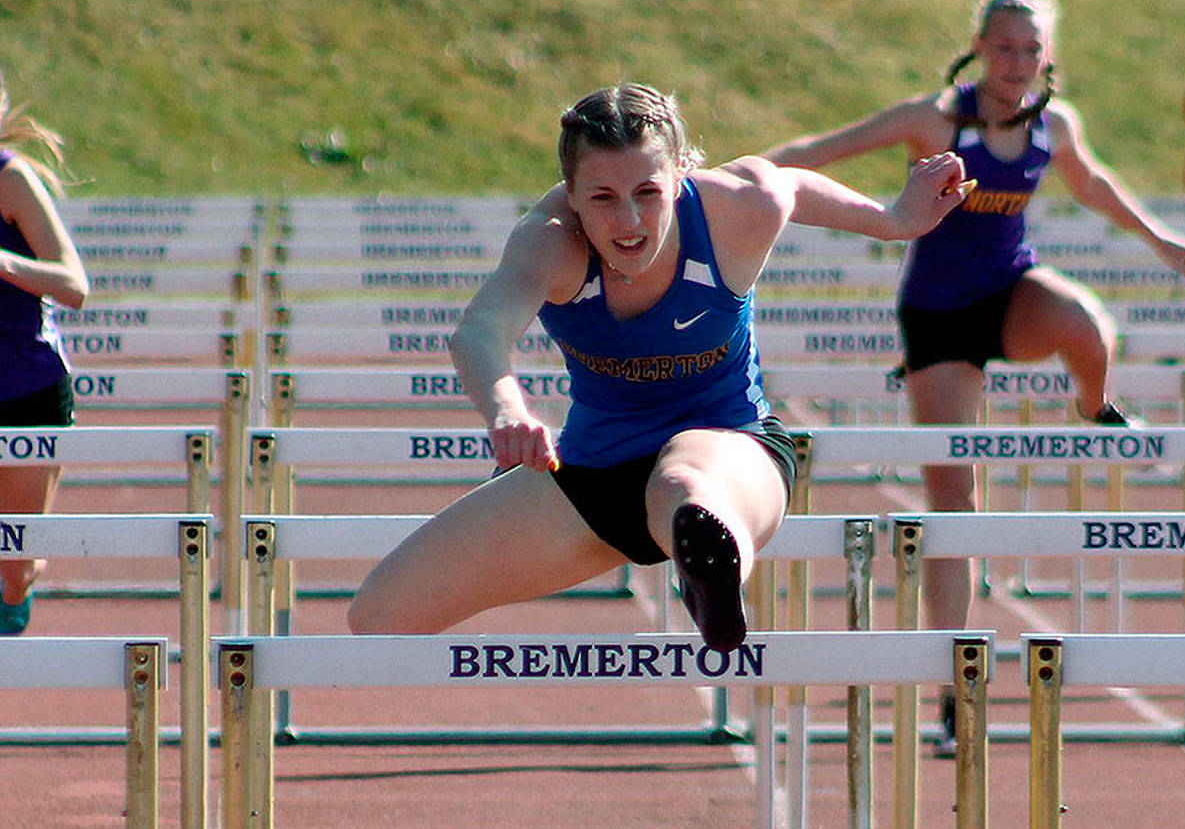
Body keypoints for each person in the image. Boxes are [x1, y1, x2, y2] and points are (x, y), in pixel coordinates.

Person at [349, 82, 971, 652]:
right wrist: (507, 409)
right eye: (603, 197)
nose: (629, 222)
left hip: (730, 449)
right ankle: (690, 543)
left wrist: (895, 220)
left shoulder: (738, 208)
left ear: (680, 178)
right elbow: (480, 329)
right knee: (377, 618)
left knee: (683, 485)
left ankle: (708, 569)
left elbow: (794, 185)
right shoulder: (549, 240)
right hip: (596, 470)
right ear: (572, 195)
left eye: (647, 193)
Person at [763, 0, 1185, 756]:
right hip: (938, 319)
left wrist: (1160, 238)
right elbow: (819, 150)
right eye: (1004, 48)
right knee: (954, 499)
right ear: (979, 47)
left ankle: (1094, 409)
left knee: (1087, 327)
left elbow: (1093, 182)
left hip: (1011, 295)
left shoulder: (1053, 122)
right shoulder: (931, 119)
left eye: (1031, 51)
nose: (1017, 62)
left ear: (1048, 59)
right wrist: (726, 180)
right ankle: (952, 689)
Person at [0, 72, 88, 635]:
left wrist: (4, 265)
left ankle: (17, 586)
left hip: (25, 386)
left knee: (14, 563)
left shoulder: (12, 180)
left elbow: (74, 284)